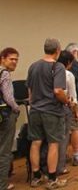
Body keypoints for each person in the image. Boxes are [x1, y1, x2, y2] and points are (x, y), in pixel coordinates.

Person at [26, 38, 69, 189]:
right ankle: (52, 179)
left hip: (35, 111)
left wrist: (35, 104)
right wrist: (66, 101)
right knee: (53, 144)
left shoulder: (33, 66)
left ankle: (36, 177)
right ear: (57, 50)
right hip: (52, 111)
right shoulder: (58, 67)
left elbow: (29, 91)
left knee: (35, 143)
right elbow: (58, 91)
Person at [0, 48, 20, 190]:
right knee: (4, 151)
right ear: (2, 58)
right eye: (11, 59)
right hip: (5, 115)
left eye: (16, 59)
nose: (14, 62)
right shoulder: (4, 74)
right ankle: (2, 184)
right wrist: (16, 108)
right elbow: (8, 97)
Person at [56, 51, 78, 176]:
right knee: (63, 138)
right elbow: (73, 96)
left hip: (48, 109)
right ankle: (60, 166)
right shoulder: (68, 75)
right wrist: (75, 111)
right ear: (68, 62)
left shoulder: (50, 71)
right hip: (64, 107)